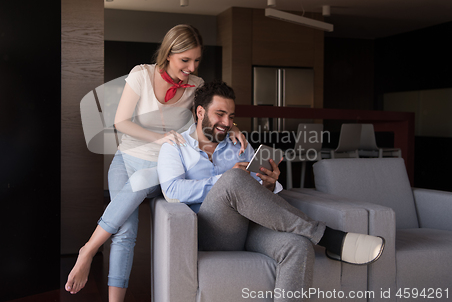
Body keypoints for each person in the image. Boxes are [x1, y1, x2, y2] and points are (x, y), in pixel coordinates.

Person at [65, 25, 248, 301]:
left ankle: (88, 249)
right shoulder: (141, 74)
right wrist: (159, 137)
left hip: (160, 167)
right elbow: (121, 122)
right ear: (169, 53)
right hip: (125, 159)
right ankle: (100, 274)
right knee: (125, 230)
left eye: (196, 60)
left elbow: (208, 116)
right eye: (185, 60)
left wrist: (232, 127)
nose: (191, 66)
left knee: (140, 183)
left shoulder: (196, 86)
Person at [157, 81, 385, 302]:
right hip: (211, 231)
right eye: (220, 114)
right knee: (234, 178)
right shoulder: (175, 146)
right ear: (200, 112)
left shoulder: (239, 145)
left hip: (250, 226)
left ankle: (316, 237)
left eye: (232, 116)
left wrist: (268, 185)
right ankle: (328, 237)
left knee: (298, 246)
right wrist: (224, 181)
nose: (227, 122)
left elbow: (256, 193)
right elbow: (172, 191)